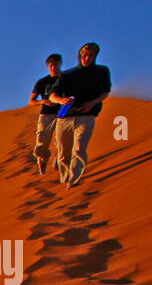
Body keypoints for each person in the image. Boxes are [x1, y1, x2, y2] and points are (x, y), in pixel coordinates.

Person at [49, 42, 112, 188]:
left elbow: (105, 92)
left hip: (87, 116)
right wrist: (61, 100)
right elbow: (52, 94)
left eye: (90, 55)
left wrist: (93, 103)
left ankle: (73, 181)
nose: (87, 58)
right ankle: (65, 178)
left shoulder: (102, 71)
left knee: (79, 148)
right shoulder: (68, 74)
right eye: (84, 55)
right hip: (65, 117)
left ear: (95, 56)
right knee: (63, 153)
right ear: (80, 55)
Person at [29, 54, 64, 175]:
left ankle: (58, 159)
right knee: (42, 141)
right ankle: (42, 160)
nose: (53, 67)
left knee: (62, 139)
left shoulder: (66, 79)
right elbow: (31, 101)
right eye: (51, 65)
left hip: (63, 112)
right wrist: (43, 101)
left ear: (60, 64)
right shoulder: (42, 82)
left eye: (56, 64)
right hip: (46, 114)